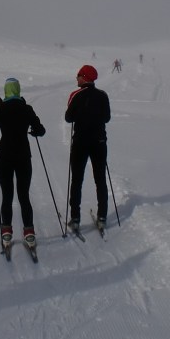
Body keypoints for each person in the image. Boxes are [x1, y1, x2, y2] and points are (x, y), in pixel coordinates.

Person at [0, 78, 46, 249]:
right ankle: (29, 233)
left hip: (4, 156)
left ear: (6, 90)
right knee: (24, 195)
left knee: (7, 195)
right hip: (23, 156)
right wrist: (34, 132)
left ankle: (6, 233)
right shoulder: (27, 109)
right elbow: (41, 130)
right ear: (18, 90)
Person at [64, 64, 111, 231]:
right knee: (100, 179)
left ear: (84, 77)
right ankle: (102, 217)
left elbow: (68, 118)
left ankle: (75, 218)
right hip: (99, 142)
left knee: (77, 180)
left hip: (81, 142)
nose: (76, 78)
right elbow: (107, 118)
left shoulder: (75, 95)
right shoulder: (103, 95)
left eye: (78, 75)